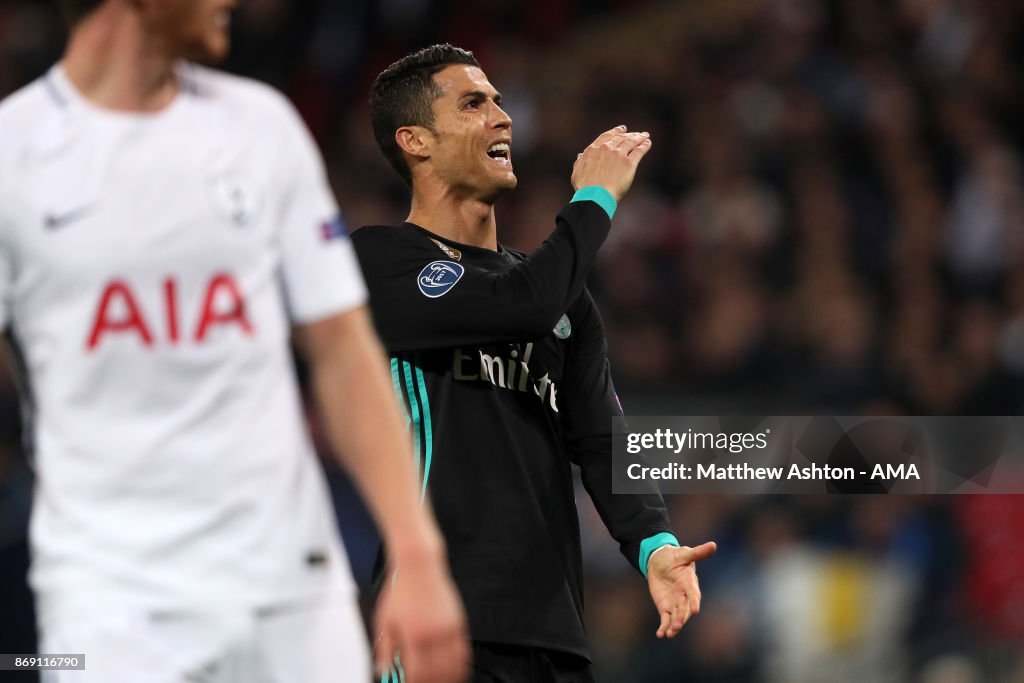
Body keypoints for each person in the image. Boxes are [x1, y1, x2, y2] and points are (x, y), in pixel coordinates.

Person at [0, 3, 469, 682]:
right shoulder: (14, 155)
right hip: (111, 607)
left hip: (294, 595)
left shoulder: (260, 127)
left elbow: (342, 348)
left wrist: (418, 556)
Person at [355, 44, 717, 683]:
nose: (502, 117)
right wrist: (595, 200)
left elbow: (604, 443)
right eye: (473, 103)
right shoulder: (380, 263)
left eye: (498, 100)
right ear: (415, 141)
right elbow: (518, 307)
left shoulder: (562, 299)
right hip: (434, 621)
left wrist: (655, 545)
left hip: (553, 636)